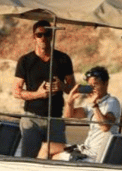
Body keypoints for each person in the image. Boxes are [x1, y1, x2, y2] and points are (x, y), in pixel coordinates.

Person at [13, 20, 76, 157]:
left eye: (47, 34)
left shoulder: (63, 59)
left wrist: (62, 86)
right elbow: (16, 92)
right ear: (33, 37)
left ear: (52, 36)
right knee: (28, 158)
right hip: (32, 118)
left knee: (59, 157)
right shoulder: (25, 61)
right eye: (39, 35)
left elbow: (72, 88)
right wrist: (38, 94)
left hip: (55, 118)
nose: (43, 38)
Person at [38, 66, 121, 162]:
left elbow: (105, 127)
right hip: (86, 148)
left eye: (95, 84)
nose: (92, 89)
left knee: (56, 157)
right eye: (90, 86)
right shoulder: (94, 103)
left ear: (106, 83)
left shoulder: (112, 102)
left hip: (94, 154)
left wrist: (94, 105)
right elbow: (69, 116)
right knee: (47, 146)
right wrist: (69, 102)